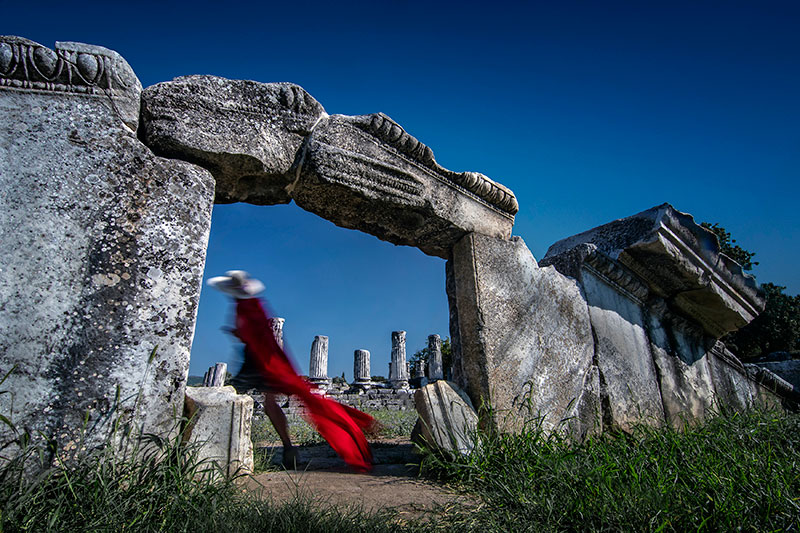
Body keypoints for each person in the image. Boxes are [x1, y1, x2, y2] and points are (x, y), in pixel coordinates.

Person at [207, 270, 374, 472]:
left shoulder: (248, 306)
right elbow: (258, 333)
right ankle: (283, 448)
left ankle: (222, 443)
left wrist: (236, 332)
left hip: (262, 360)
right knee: (266, 403)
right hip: (264, 358)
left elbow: (252, 334)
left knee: (243, 399)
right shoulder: (251, 304)